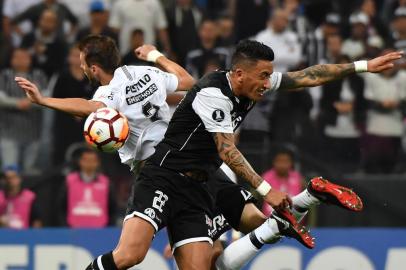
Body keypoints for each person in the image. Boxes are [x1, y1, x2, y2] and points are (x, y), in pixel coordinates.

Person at [17, 38, 401, 269]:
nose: (268, 84)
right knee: (130, 256)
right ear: (239, 74)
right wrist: (269, 191)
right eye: (263, 77)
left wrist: (364, 65)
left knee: (216, 260)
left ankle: (306, 197)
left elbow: (309, 75)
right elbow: (227, 150)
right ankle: (301, 200)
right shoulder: (213, 93)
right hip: (163, 175)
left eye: (270, 76)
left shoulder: (250, 84)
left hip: (200, 184)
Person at [58, 148, 116, 227]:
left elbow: (112, 209)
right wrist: (65, 227)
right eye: (86, 160)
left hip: (100, 232)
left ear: (98, 163)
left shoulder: (106, 182)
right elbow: (61, 207)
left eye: (92, 160)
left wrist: (108, 228)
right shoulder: (69, 181)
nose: (89, 163)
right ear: (80, 162)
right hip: (73, 232)